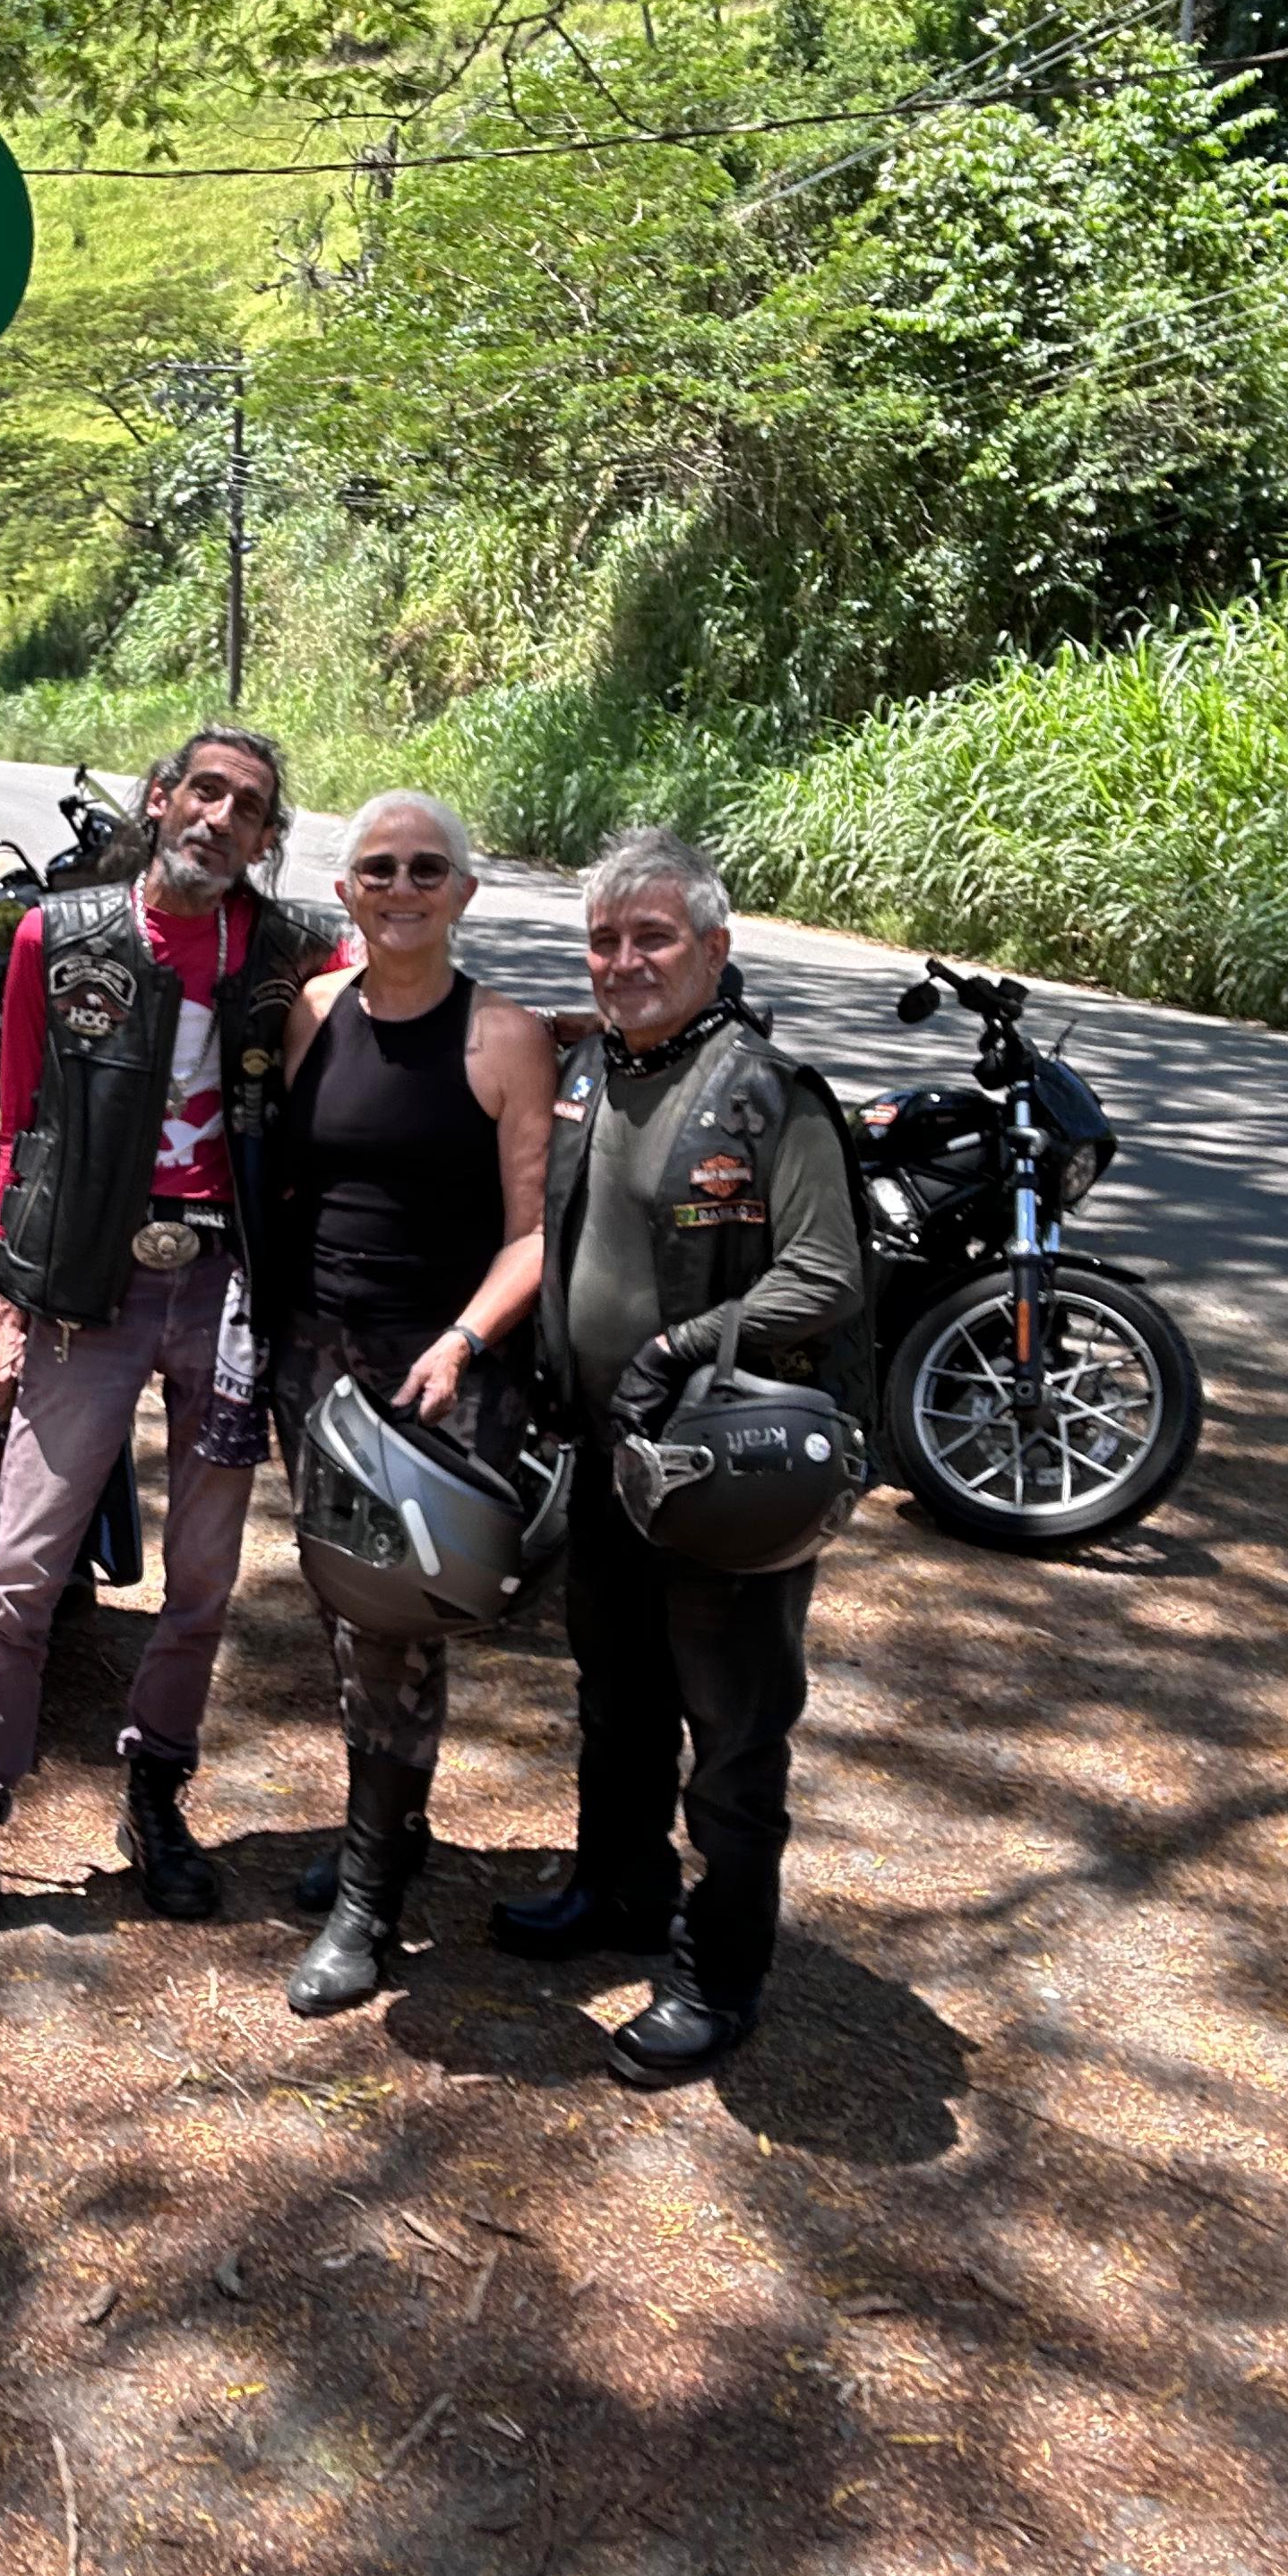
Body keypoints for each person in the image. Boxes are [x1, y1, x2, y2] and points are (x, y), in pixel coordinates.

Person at [0, 727, 331, 1983]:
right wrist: (11, 1307)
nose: (221, 818)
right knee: (26, 1567)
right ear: (159, 798)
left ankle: (157, 1793)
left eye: (249, 807)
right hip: (90, 1286)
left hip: (227, 1286)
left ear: (265, 837)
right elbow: (21, 1122)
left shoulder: (291, 951)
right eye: (205, 792)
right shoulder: (58, 935)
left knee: (204, 1578)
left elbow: (404, 993)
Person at [520, 826, 873, 2084]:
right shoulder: (590, 1074)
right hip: (607, 1457)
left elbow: (826, 1272)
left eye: (653, 938)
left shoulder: (771, 1094)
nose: (625, 962)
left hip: (723, 1469)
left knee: (733, 1729)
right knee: (614, 1694)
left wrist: (687, 1343)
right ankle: (616, 1886)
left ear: (714, 949)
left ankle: (720, 1972)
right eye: (604, 941)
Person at [267, 791, 556, 2015]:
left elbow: (534, 1236)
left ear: (464, 892)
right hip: (313, 1361)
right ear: (345, 892)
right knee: (345, 1614)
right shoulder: (313, 1013)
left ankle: (368, 1897)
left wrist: (461, 1341)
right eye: (378, 868)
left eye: (427, 868)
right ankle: (391, 1825)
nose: (402, 888)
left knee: (392, 1626)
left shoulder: (505, 1038)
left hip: (432, 1372)